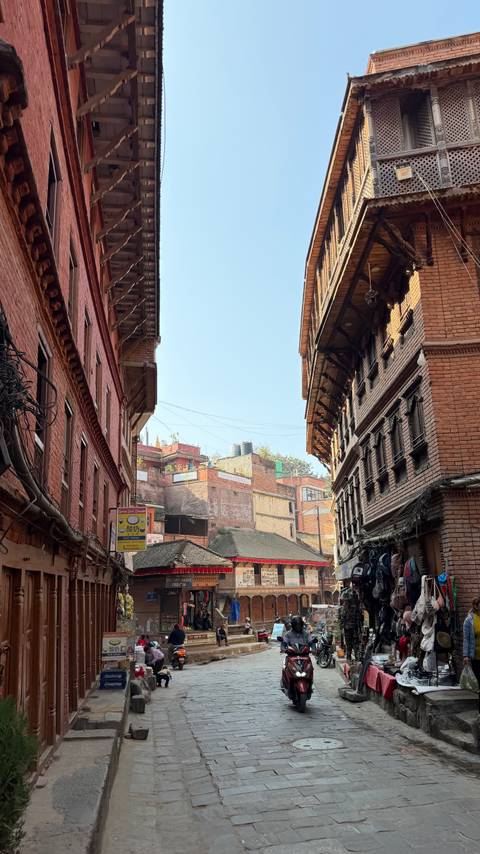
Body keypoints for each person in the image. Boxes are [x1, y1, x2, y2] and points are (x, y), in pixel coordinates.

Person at [463, 597, 480, 710]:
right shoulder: (469, 620)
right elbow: (466, 639)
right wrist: (465, 655)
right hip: (476, 656)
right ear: (476, 606)